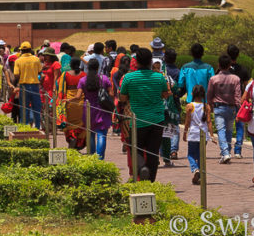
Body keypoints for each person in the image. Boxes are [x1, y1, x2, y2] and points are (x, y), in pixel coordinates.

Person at [119, 47, 171, 181]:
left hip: (138, 120)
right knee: (153, 152)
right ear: (150, 61)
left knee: (136, 148)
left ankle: (142, 169)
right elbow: (165, 95)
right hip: (157, 119)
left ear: (136, 62)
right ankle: (150, 181)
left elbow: (122, 98)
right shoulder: (159, 77)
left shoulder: (128, 78)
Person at [207, 54, 242, 164]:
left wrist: (210, 105)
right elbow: (237, 96)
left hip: (218, 108)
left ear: (219, 65)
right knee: (229, 131)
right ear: (230, 65)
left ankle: (225, 153)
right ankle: (227, 152)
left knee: (221, 130)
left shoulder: (214, 79)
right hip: (231, 108)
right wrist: (238, 109)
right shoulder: (235, 79)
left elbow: (209, 94)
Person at [76, 58, 113, 159]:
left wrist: (68, 100)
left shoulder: (82, 80)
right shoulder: (104, 79)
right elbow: (111, 93)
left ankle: (92, 156)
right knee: (101, 135)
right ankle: (99, 158)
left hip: (88, 109)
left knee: (90, 134)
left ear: (87, 67)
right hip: (102, 110)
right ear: (98, 68)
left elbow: (78, 96)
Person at [183, 84, 216, 185]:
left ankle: (195, 169)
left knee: (191, 154)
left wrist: (184, 133)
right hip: (204, 134)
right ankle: (199, 175)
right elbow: (209, 122)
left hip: (193, 134)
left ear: (192, 94)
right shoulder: (206, 106)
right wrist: (212, 135)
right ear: (203, 95)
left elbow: (187, 121)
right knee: (201, 155)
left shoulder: (190, 106)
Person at [227, 45, 250, 158]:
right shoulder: (243, 69)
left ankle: (226, 149)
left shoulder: (224, 68)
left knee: (228, 126)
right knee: (240, 126)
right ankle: (237, 150)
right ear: (238, 55)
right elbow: (247, 86)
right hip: (239, 100)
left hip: (226, 101)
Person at [13, 41, 43, 129]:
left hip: (23, 86)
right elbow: (40, 72)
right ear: (30, 50)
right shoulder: (36, 59)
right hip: (35, 86)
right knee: (36, 108)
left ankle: (24, 128)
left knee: (24, 108)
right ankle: (37, 127)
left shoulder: (18, 61)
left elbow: (16, 74)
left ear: (21, 50)